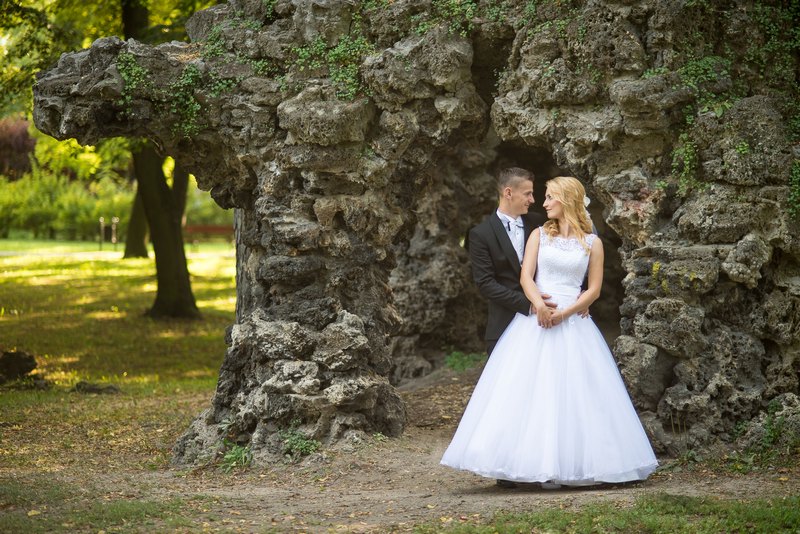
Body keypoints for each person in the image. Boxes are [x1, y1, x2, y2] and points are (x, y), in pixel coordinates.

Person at [442, 176, 658, 488]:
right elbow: (526, 277)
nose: (542, 203)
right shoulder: (539, 234)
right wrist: (539, 306)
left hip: (573, 322)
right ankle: (522, 464)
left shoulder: (593, 243)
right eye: (541, 196)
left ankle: (579, 463)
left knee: (578, 393)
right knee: (528, 390)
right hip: (535, 322)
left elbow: (594, 289)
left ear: (567, 200)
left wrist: (566, 312)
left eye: (549, 197)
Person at [468, 167, 549, 356]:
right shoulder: (480, 234)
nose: (532, 200)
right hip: (504, 322)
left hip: (546, 320)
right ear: (508, 193)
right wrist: (529, 304)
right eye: (527, 194)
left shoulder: (539, 223)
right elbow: (485, 283)